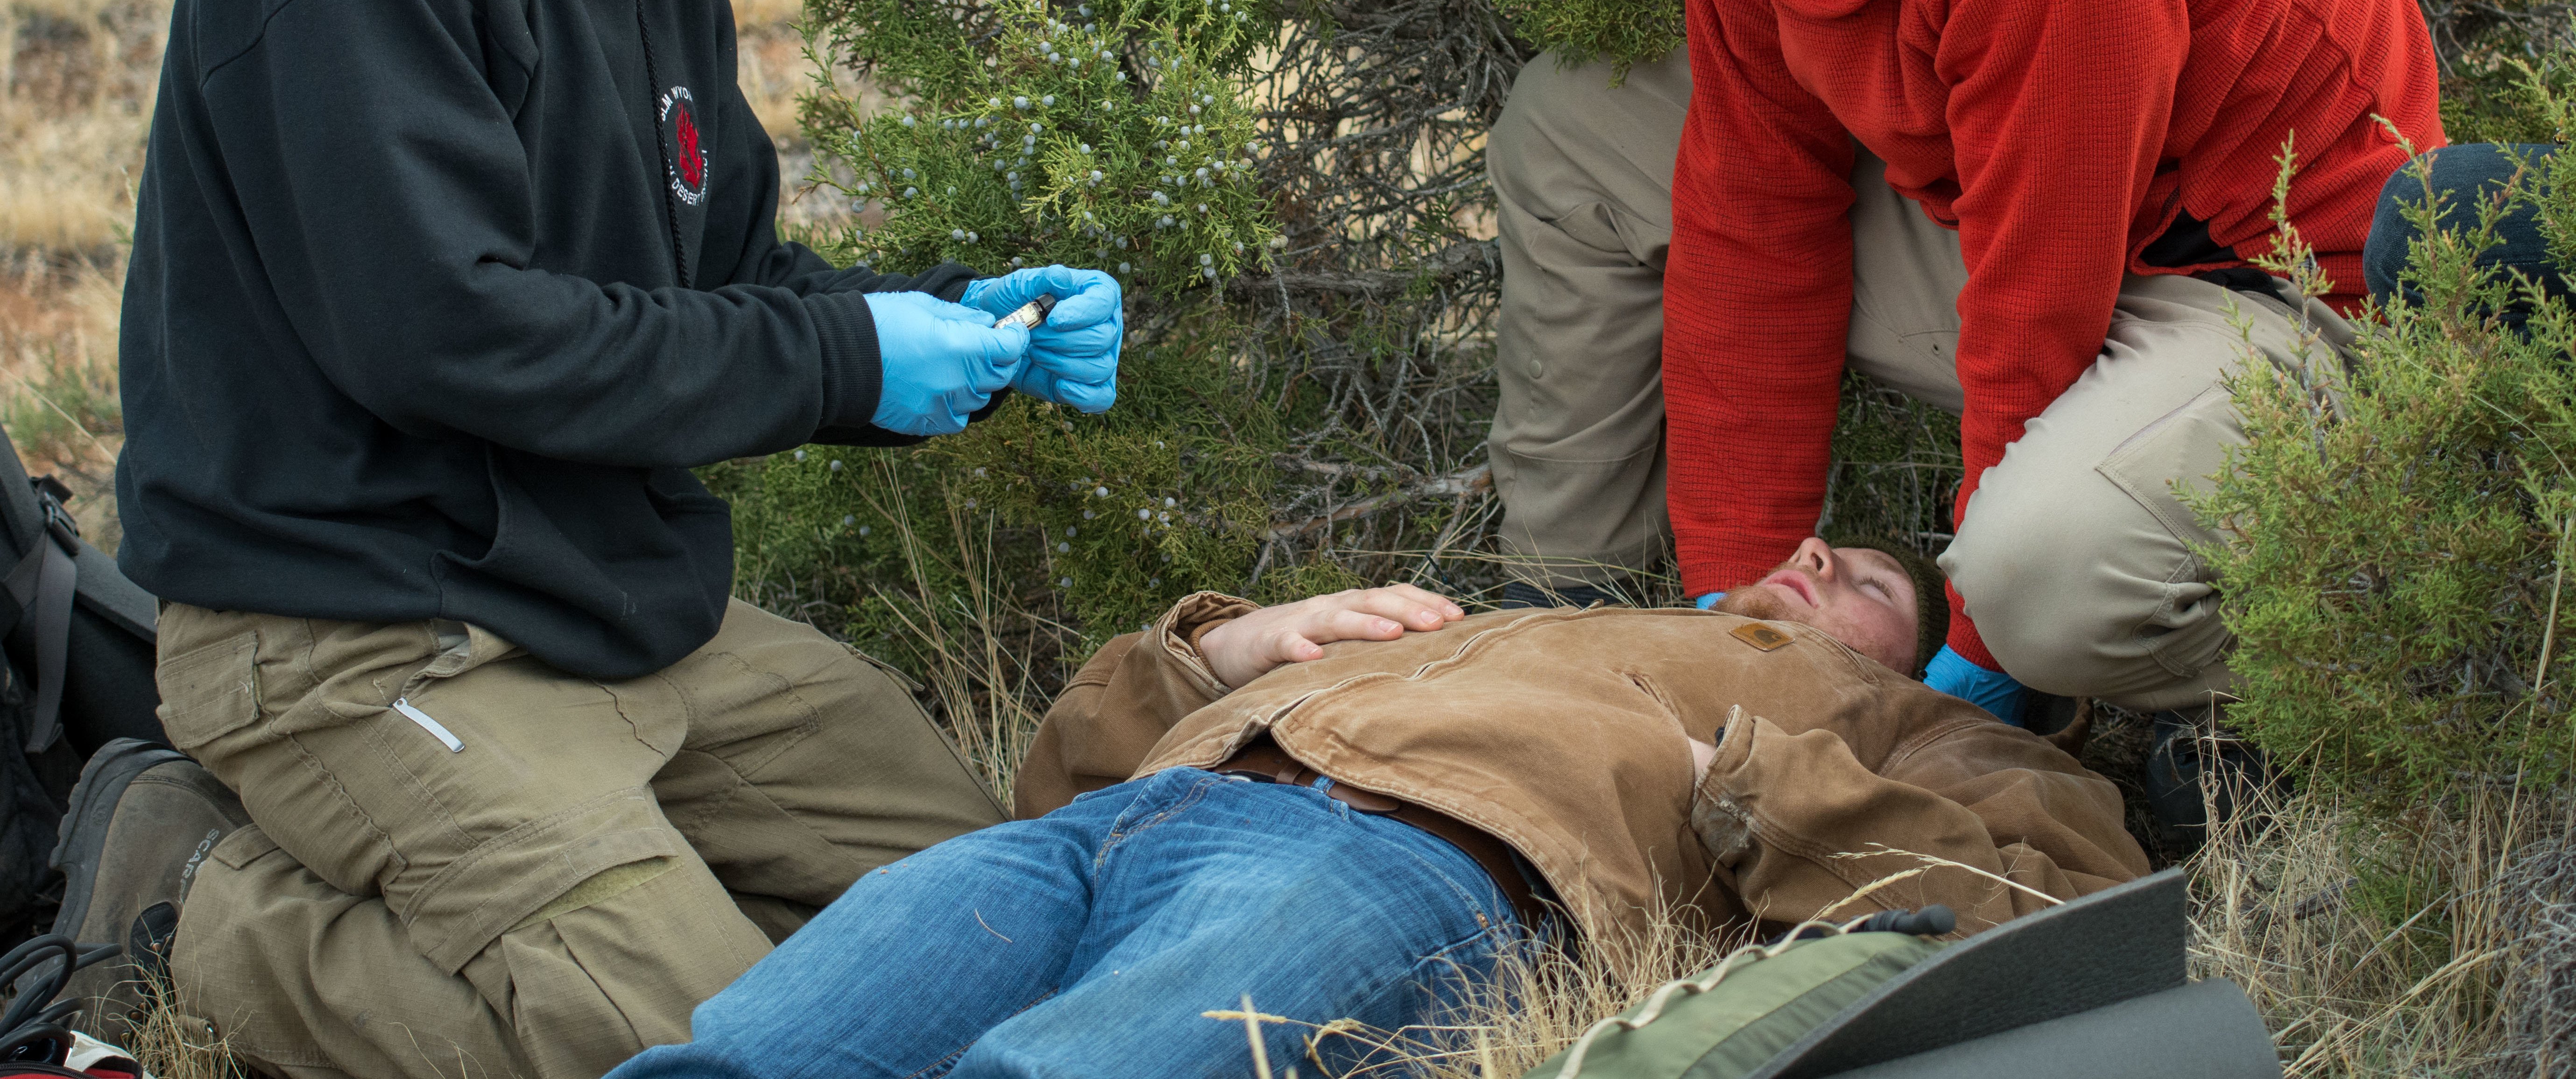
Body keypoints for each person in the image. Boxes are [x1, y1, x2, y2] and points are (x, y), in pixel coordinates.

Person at [48, 0, 1125, 1079]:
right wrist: (843, 360)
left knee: (980, 917)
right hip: (351, 626)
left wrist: (964, 322)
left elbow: (740, 278)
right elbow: (447, 332)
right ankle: (190, 897)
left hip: (599, 596)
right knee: (714, 1054)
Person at [1488, 0, 2444, 806]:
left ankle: (2271, 683)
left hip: (2274, 291)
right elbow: (1754, 223)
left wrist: (1981, 669)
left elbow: (2033, 311)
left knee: (2038, 573)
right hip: (2049, 224)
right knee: (1573, 124)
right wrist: (1739, 607)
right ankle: (1566, 629)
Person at [603, 542, 2145, 1079]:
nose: (1813, 559)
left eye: (1865, 576)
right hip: (1117, 829)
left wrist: (1751, 786)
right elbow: (1058, 772)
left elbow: (2050, 910)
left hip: (1418, 859)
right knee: (742, 1057)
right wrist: (1224, 647)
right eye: (1813, 543)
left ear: (1941, 652)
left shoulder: (1925, 731)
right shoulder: (1553, 619)